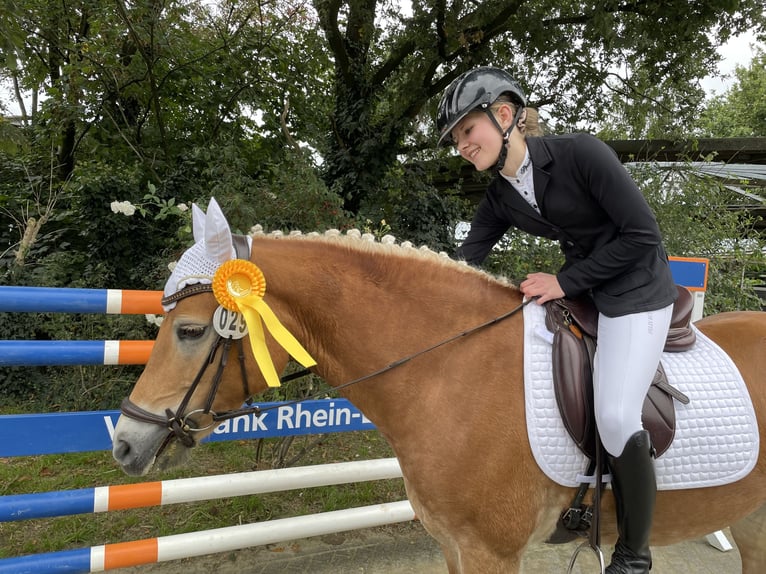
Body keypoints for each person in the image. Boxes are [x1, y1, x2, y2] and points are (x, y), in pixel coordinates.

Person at [436, 66, 678, 574]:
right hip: (587, 290)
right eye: (456, 138)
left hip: (637, 289)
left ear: (504, 116)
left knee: (615, 415)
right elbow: (460, 264)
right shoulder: (501, 194)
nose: (461, 145)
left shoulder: (582, 153)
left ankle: (634, 555)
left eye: (467, 131)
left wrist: (565, 282)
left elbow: (643, 235)